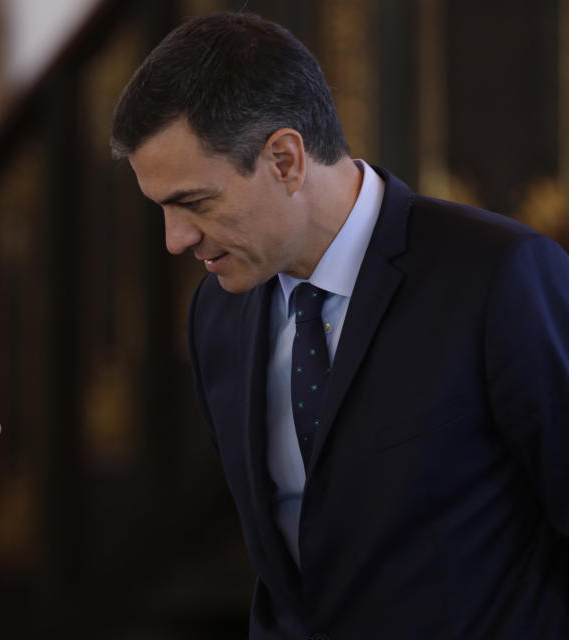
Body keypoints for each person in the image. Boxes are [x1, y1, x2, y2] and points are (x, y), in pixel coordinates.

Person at [111, 11, 569, 639]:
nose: (175, 238)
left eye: (194, 202)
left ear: (285, 159)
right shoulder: (215, 314)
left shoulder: (497, 276)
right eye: (162, 208)